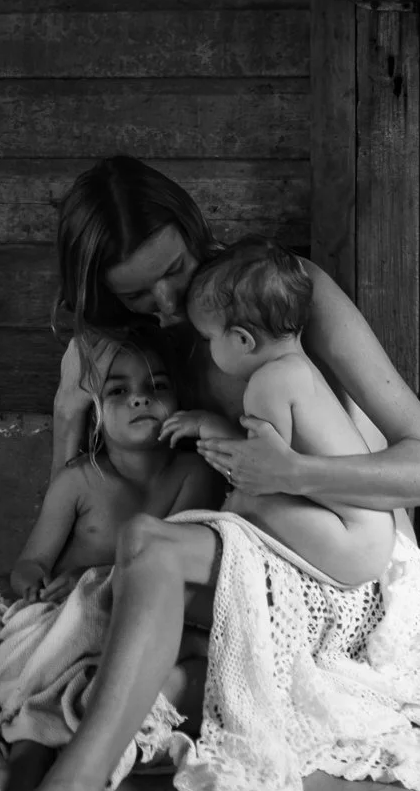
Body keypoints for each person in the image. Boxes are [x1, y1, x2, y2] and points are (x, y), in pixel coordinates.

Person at [0, 154, 420, 791]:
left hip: (335, 553)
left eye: (177, 268)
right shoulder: (123, 345)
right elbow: (84, 476)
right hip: (234, 550)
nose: (165, 301)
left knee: (148, 556)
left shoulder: (277, 293)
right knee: (86, 617)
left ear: (198, 233)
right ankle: (74, 777)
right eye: (135, 292)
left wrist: (286, 472)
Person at [0, 330, 222, 791]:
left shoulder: (192, 473)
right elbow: (30, 561)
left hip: (121, 629)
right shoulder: (80, 479)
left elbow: (167, 564)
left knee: (73, 696)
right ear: (96, 412)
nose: (141, 397)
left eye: (157, 386)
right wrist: (34, 581)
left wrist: (90, 572)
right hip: (52, 621)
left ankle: (16, 773)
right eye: (118, 391)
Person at [161, 238, 396, 589]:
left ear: (242, 340)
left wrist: (210, 427)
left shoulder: (266, 385)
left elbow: (255, 471)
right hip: (373, 534)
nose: (208, 349)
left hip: (351, 545)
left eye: (208, 338)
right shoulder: (299, 369)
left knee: (242, 503)